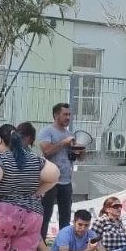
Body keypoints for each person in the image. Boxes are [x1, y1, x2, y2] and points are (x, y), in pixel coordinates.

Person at [38, 103, 81, 240]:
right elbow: (46, 152)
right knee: (45, 215)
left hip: (66, 180)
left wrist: (79, 151)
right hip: (50, 181)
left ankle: (63, 246)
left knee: (66, 216)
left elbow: (75, 157)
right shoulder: (47, 131)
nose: (68, 117)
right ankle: (40, 249)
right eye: (65, 114)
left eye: (69, 114)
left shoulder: (70, 134)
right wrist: (63, 142)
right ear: (56, 115)